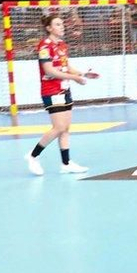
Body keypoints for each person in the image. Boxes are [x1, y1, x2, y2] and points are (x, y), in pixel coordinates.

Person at [25, 15, 90, 175]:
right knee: (58, 127)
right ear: (49, 28)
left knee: (66, 128)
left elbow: (65, 66)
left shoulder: (62, 45)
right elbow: (49, 71)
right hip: (51, 90)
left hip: (64, 89)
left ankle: (66, 163)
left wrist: (82, 73)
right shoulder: (44, 46)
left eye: (62, 24)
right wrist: (75, 78)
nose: (62, 27)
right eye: (58, 24)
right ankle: (33, 156)